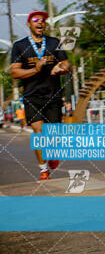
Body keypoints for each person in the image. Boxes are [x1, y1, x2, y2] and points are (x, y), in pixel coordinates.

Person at [10, 10, 71, 180]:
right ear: (29, 24)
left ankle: (52, 154)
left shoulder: (53, 43)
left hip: (53, 94)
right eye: (35, 20)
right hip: (32, 96)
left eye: (43, 20)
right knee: (37, 131)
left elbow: (66, 62)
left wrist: (62, 67)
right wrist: (35, 69)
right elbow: (15, 72)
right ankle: (43, 169)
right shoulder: (20, 46)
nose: (40, 22)